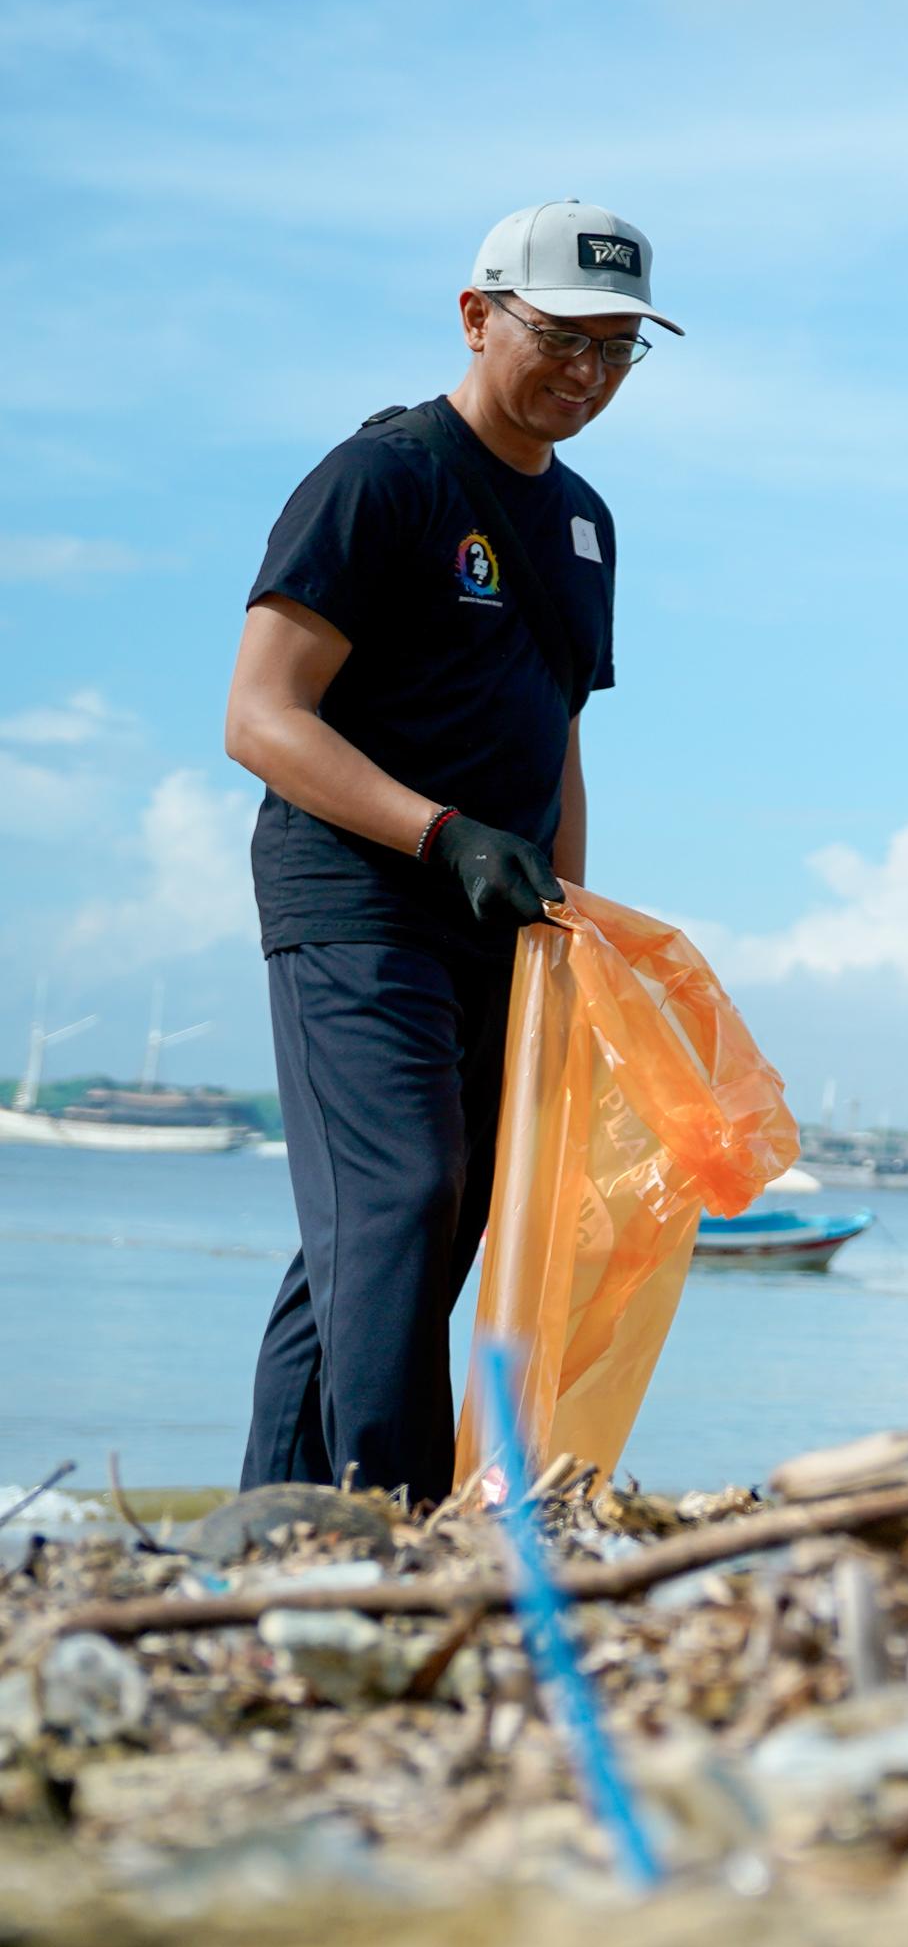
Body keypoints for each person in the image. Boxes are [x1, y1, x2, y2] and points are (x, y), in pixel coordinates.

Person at [221, 203, 668, 1503]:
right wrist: (437, 832)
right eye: (562, 338)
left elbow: (558, 735)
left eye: (619, 350)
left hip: (501, 909)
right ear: (478, 317)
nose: (586, 374)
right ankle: (396, 1513)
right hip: (357, 896)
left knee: (409, 1227)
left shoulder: (585, 523)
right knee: (406, 1199)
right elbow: (259, 714)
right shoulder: (383, 479)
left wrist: (572, 922)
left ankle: (276, 1522)